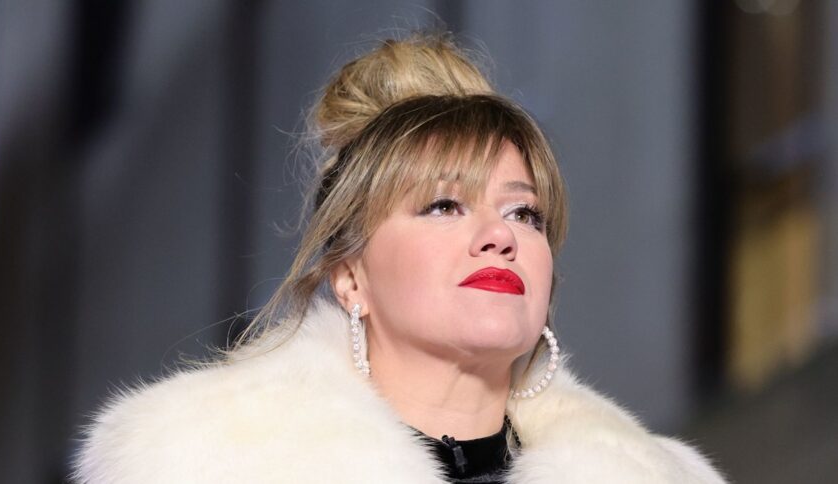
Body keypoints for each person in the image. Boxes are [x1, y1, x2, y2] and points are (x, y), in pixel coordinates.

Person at [73, 34, 726, 483]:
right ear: (350, 276)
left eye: (524, 213)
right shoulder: (195, 463)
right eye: (444, 206)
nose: (499, 236)